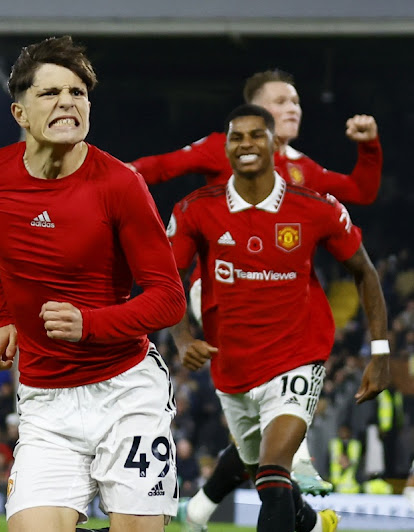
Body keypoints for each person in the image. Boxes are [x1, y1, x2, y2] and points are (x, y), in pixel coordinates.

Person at [134, 69, 383, 523]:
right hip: (217, 307)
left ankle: (281, 464)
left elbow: (361, 192)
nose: (294, 108)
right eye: (282, 100)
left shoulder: (304, 174)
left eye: (297, 102)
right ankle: (291, 505)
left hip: (288, 336)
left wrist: (368, 148)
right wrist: (110, 180)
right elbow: (162, 166)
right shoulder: (216, 157)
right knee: (261, 461)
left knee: (269, 465)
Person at [0, 36, 187, 532]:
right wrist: (3, 316)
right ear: (20, 112)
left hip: (126, 391)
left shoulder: (121, 184)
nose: (68, 101)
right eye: (51, 93)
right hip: (45, 399)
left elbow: (170, 300)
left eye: (78, 92)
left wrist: (90, 323)